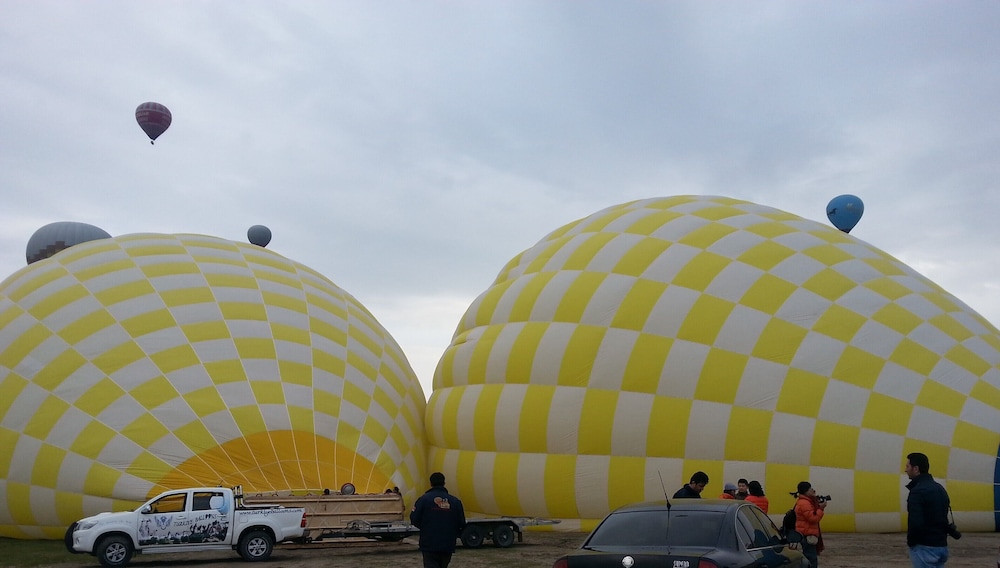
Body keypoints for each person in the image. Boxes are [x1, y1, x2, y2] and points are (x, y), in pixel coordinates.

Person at [410, 472, 466, 568]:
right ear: (444, 483)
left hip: (429, 544)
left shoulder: (423, 500)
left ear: (430, 483)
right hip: (447, 544)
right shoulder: (455, 502)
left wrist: (425, 527)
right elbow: (461, 522)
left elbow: (414, 518)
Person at [905, 452, 951, 567]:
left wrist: (911, 542)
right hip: (941, 546)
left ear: (916, 469)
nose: (905, 470)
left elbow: (916, 522)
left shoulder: (917, 492)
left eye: (907, 466)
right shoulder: (939, 489)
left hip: (924, 547)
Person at [792, 481, 826, 568]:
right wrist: (821, 509)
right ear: (806, 491)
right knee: (811, 558)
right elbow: (813, 518)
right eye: (811, 488)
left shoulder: (805, 501)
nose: (813, 490)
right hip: (807, 534)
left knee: (810, 556)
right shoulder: (805, 503)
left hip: (806, 532)